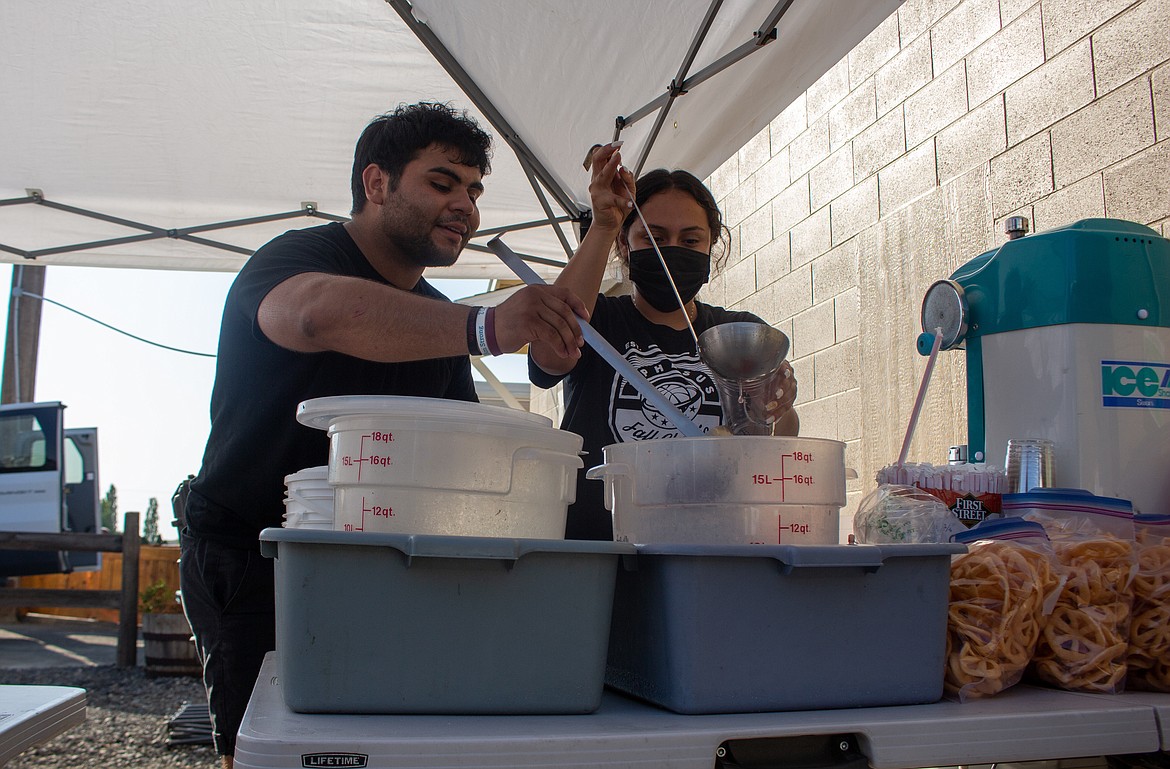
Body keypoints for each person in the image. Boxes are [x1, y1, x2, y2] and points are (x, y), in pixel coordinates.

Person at [179, 102, 587, 766]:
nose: (466, 207)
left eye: (474, 190)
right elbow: (314, 315)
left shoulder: (435, 318)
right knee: (266, 748)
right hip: (250, 555)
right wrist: (486, 327)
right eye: (442, 182)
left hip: (376, 569)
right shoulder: (295, 258)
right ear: (376, 184)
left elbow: (461, 453)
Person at [528, 143, 798, 541]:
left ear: (711, 247)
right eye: (653, 237)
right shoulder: (596, 319)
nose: (672, 250)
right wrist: (604, 224)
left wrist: (773, 409)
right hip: (601, 550)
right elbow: (548, 353)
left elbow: (778, 445)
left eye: (690, 241)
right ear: (625, 245)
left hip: (710, 549)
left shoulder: (740, 335)